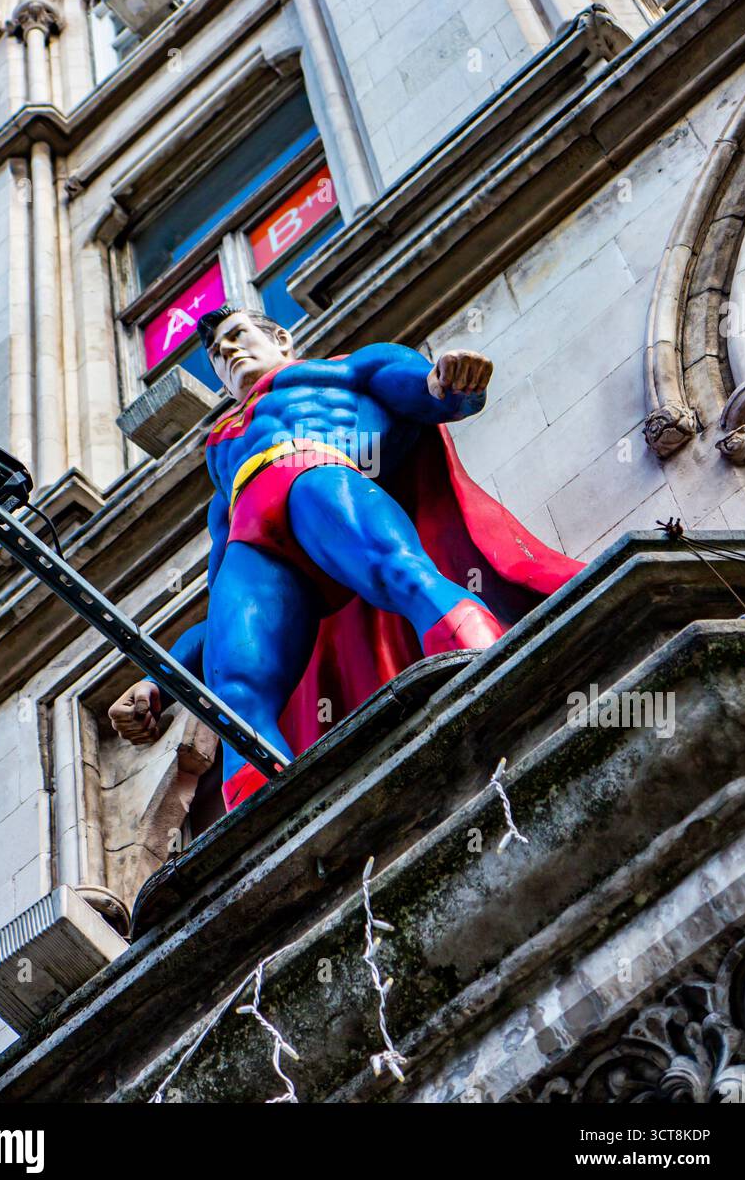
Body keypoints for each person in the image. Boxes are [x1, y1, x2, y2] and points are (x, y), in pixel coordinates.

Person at [109, 306, 582, 809]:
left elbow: (421, 388)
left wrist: (450, 381)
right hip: (251, 530)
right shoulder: (222, 452)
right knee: (236, 683)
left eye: (237, 336)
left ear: (283, 338)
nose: (230, 353)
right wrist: (156, 680)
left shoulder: (339, 370)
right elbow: (217, 612)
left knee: (400, 572)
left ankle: (494, 669)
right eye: (218, 356)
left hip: (316, 472)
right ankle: (267, 817)